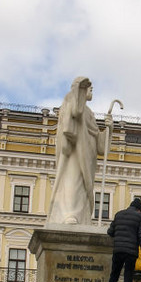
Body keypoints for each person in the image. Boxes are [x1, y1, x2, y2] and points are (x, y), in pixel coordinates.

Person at [47, 76, 109, 225]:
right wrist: (77, 93)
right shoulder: (71, 103)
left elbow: (100, 143)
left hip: (88, 157)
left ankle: (80, 216)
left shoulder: (90, 113)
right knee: (71, 181)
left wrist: (109, 128)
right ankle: (69, 213)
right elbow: (71, 119)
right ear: (80, 90)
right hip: (74, 153)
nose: (92, 90)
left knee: (82, 188)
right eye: (88, 87)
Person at [106, 199, 141, 282]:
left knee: (114, 274)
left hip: (118, 250)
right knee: (128, 274)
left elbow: (110, 232)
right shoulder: (140, 217)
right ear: (139, 210)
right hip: (131, 251)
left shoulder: (118, 214)